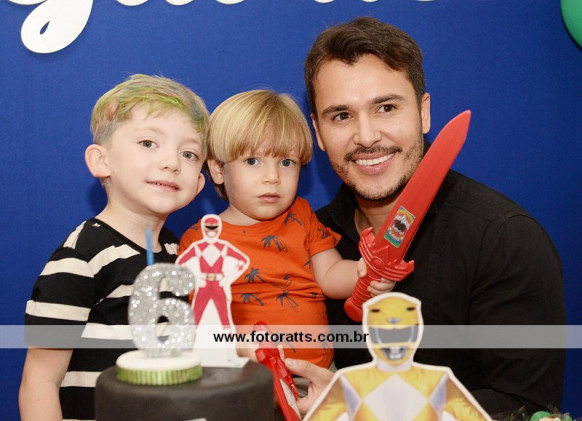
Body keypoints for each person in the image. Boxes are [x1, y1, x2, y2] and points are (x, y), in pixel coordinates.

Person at [289, 16, 566, 418]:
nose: (366, 137)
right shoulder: (308, 238)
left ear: (424, 112)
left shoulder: (503, 239)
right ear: (318, 131)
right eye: (341, 116)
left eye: (386, 107)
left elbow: (525, 408)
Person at [19, 74, 209, 421]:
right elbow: (39, 381)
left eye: (189, 153)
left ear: (198, 183)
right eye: (149, 143)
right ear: (101, 161)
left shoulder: (182, 253)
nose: (172, 162)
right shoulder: (82, 256)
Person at [179, 89, 393, 370]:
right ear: (218, 169)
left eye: (286, 162)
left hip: (318, 373)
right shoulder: (201, 240)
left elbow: (330, 275)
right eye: (252, 161)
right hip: (246, 377)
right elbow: (200, 322)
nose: (273, 177)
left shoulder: (301, 216)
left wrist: (365, 272)